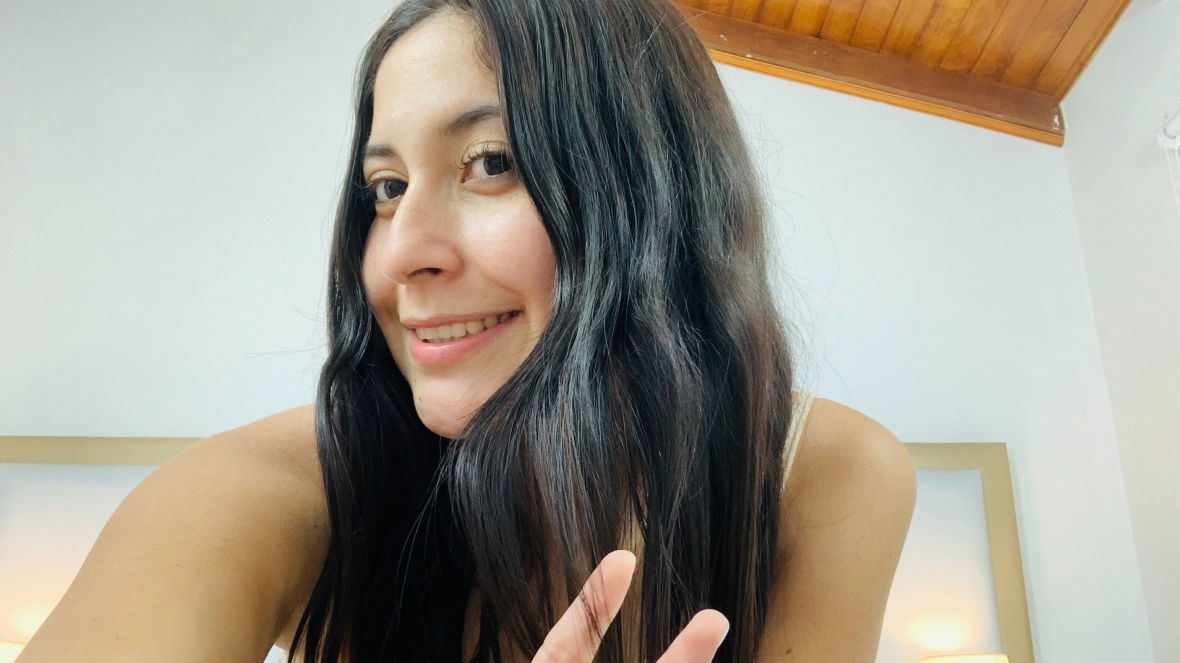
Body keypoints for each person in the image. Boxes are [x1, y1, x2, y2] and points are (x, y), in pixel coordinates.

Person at [16, 0, 916, 661]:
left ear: (650, 192)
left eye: (489, 162)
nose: (402, 253)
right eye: (387, 187)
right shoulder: (252, 493)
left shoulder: (824, 474)